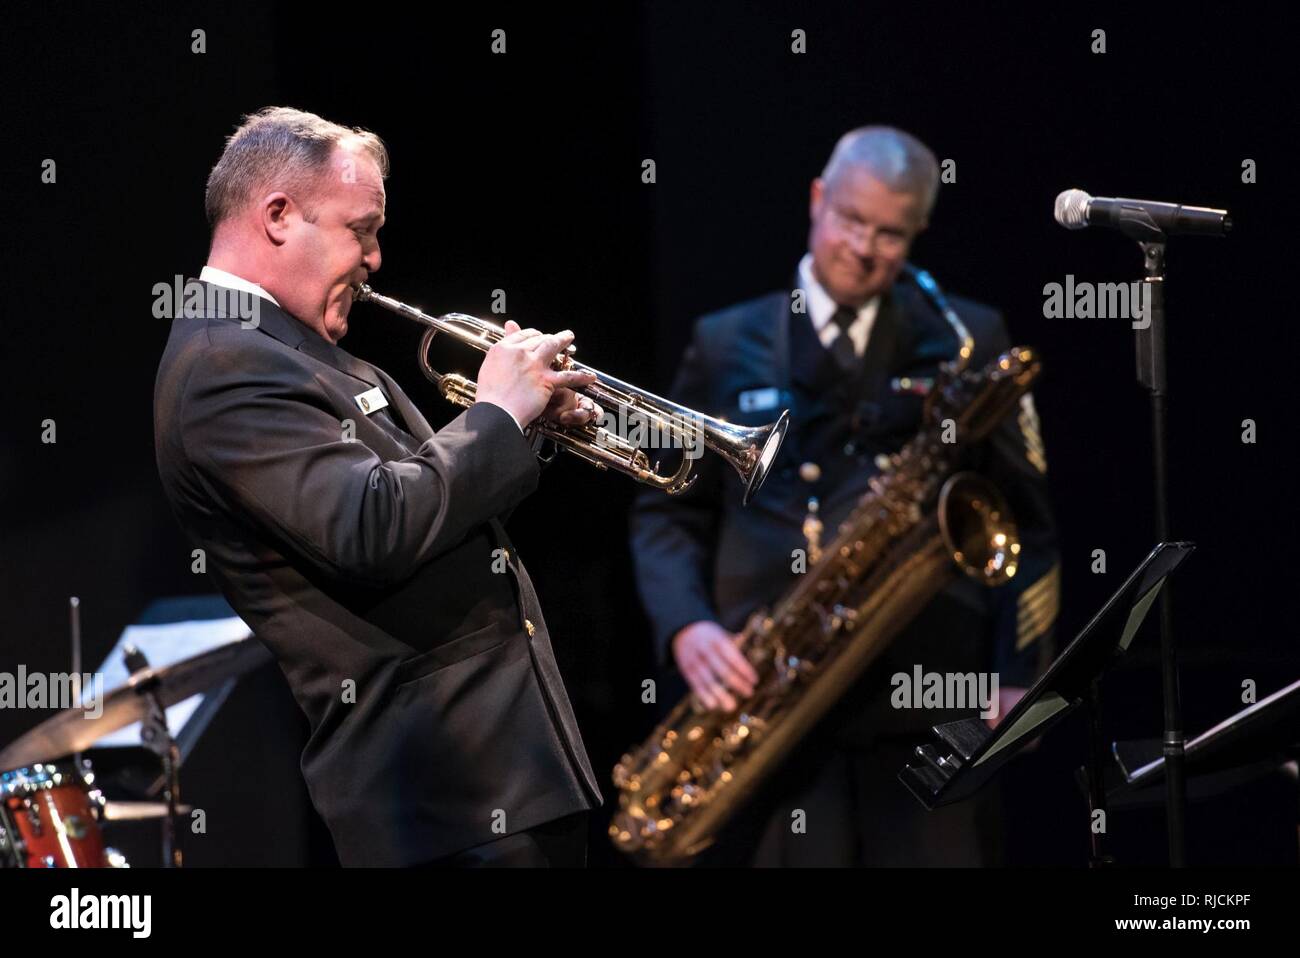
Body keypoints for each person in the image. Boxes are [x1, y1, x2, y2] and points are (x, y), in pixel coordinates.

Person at [154, 106, 603, 866]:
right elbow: (373, 526)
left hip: (500, 778)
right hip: (442, 799)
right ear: (277, 216)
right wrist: (497, 412)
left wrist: (529, 424)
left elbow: (428, 501)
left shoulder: (289, 348)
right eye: (360, 229)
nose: (375, 259)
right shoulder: (222, 367)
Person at [629, 126, 1059, 866]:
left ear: (919, 231)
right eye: (852, 220)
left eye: (891, 233)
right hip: (772, 706)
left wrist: (1023, 675)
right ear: (817, 200)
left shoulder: (967, 338)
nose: (864, 247)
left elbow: (1029, 526)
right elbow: (668, 509)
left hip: (927, 705)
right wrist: (687, 627)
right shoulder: (725, 340)